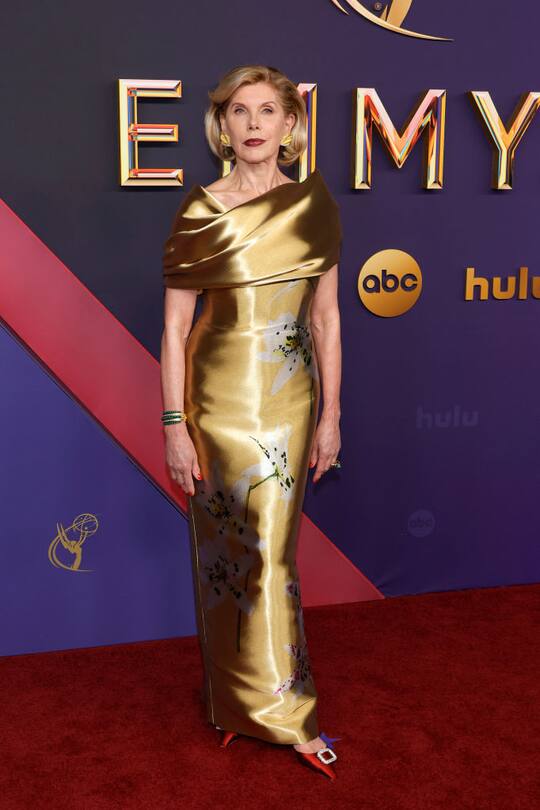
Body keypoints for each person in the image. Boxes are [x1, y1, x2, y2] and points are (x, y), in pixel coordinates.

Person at [160, 64, 343, 780]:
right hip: (216, 401)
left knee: (273, 552)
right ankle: (237, 703)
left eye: (269, 111)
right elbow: (176, 329)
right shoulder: (201, 210)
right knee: (228, 556)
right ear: (224, 126)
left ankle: (286, 712)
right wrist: (174, 424)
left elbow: (326, 319)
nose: (255, 124)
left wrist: (332, 416)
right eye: (240, 111)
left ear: (290, 124)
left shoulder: (313, 207)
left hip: (290, 398)